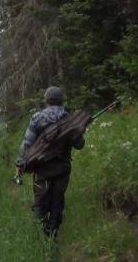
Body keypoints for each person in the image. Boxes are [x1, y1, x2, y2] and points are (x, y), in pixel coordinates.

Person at [15, 86, 85, 239]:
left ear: (45, 100)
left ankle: (40, 238)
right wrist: (80, 129)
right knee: (57, 200)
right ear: (61, 101)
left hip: (42, 169)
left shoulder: (37, 118)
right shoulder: (70, 119)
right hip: (62, 168)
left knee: (40, 201)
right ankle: (52, 236)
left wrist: (20, 164)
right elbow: (80, 145)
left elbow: (27, 143)